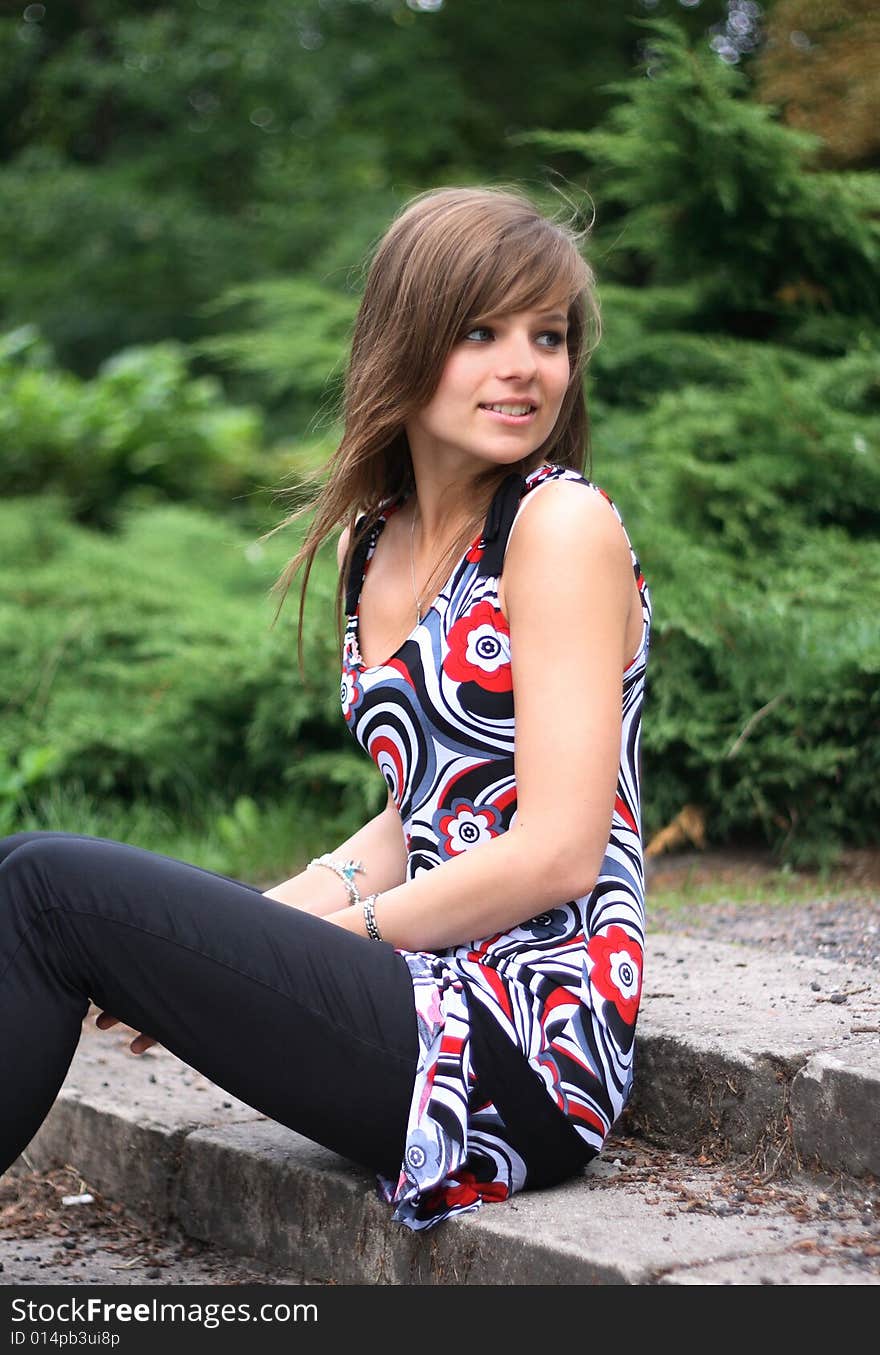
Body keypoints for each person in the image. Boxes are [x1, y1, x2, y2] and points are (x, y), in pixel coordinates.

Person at [0, 185, 652, 1233]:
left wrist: (316, 947)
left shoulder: (559, 526)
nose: (524, 364)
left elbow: (557, 854)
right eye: (480, 331)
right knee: (20, 861)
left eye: (549, 333)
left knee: (42, 884)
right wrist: (241, 935)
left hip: (510, 1052)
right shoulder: (372, 542)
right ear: (407, 338)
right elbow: (421, 815)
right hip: (415, 999)